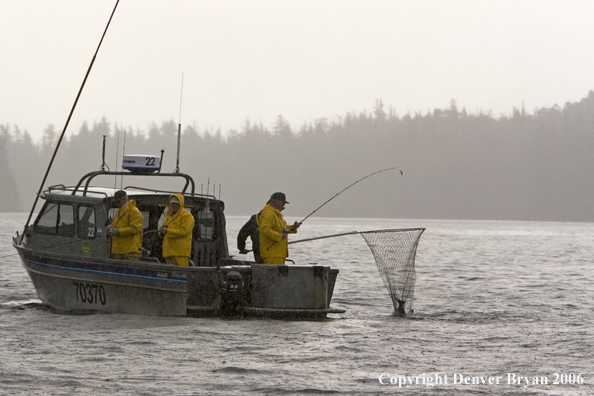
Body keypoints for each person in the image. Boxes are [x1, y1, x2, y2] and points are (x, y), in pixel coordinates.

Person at [258, 192, 301, 265]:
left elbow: (282, 229)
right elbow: (264, 229)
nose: (284, 205)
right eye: (283, 203)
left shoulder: (276, 214)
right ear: (278, 202)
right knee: (274, 275)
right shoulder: (268, 214)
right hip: (272, 254)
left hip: (278, 254)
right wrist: (279, 236)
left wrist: (293, 227)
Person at [106, 190, 144, 260]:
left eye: (118, 201)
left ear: (124, 199)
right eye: (115, 202)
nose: (117, 204)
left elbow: (134, 229)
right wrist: (111, 227)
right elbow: (116, 225)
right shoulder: (118, 212)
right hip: (120, 250)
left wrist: (118, 231)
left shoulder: (134, 212)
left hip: (131, 251)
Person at [159, 193, 195, 267]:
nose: (173, 206)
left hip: (180, 253)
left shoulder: (187, 216)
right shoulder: (168, 216)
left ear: (180, 204)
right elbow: (162, 231)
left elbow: (184, 231)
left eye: (175, 204)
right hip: (169, 252)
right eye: (172, 204)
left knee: (181, 275)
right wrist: (161, 232)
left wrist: (167, 231)